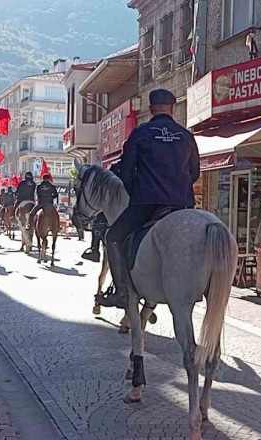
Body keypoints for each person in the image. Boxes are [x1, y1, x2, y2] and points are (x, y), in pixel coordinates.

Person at [98, 89, 200, 308]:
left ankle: (122, 292)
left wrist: (138, 192)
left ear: (151, 108)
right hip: (182, 205)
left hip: (147, 202)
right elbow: (194, 173)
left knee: (113, 237)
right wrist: (178, 191)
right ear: (172, 108)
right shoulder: (185, 135)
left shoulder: (141, 133)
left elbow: (125, 171)